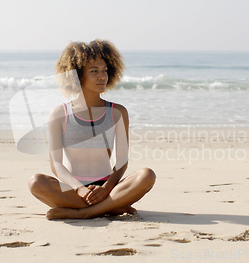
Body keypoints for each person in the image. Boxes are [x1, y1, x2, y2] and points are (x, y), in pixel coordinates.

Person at [28, 39, 156, 220]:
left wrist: (106, 189)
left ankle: (85, 212)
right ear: (77, 76)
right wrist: (79, 188)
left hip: (109, 187)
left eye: (104, 70)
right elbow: (56, 164)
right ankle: (110, 207)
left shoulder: (117, 112)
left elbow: (121, 160)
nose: (102, 76)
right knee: (36, 182)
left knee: (147, 175)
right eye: (94, 71)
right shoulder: (59, 113)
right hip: (74, 189)